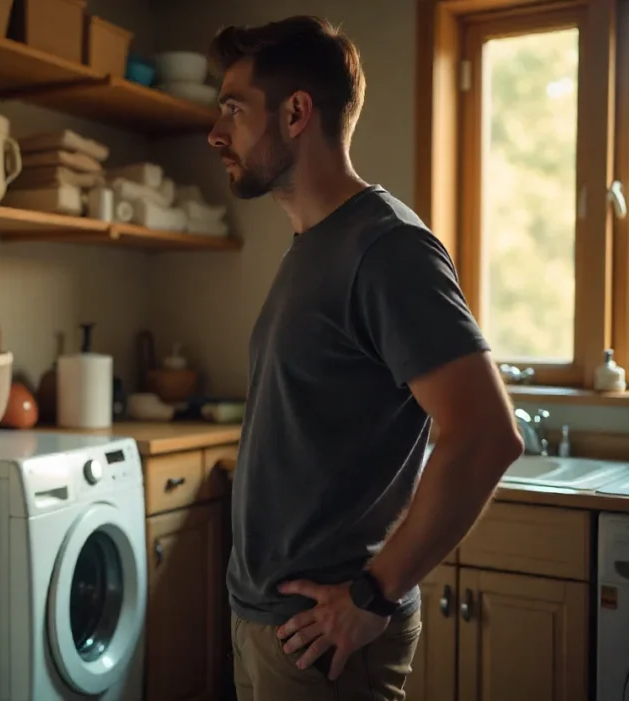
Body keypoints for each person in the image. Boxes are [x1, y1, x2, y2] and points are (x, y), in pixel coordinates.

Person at [207, 16, 525, 701]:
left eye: (234, 108)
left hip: (324, 635)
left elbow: (487, 436)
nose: (215, 131)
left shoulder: (386, 249)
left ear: (296, 113)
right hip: (270, 624)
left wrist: (373, 595)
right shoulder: (312, 248)